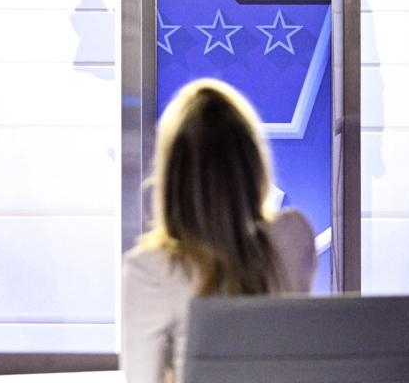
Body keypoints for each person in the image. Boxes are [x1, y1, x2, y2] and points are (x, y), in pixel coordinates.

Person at [122, 78, 315, 383]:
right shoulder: (294, 236)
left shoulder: (149, 270)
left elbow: (143, 378)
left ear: (173, 174)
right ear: (252, 162)